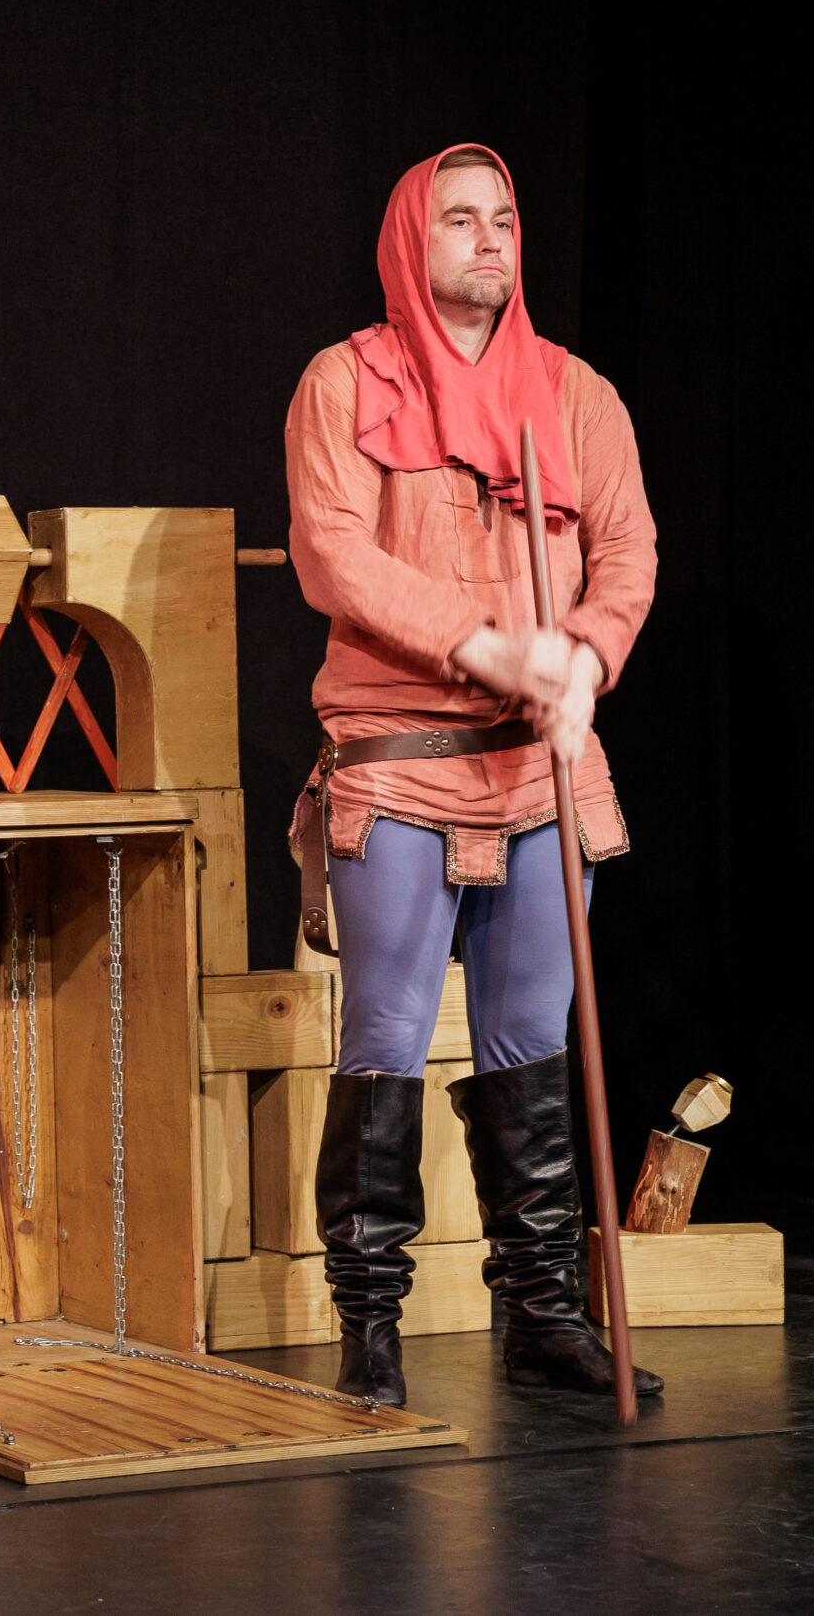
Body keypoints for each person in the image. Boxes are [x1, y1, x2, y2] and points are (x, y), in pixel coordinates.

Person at [286, 143, 661, 1408]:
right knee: (385, 1041)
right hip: (401, 762)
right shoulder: (345, 382)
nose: (490, 238)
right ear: (412, 239)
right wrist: (485, 644)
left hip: (540, 769)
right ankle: (370, 1328)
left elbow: (627, 550)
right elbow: (335, 553)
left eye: (503, 218)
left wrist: (586, 658)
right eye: (460, 219)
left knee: (530, 1044)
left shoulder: (573, 393)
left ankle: (542, 1316)